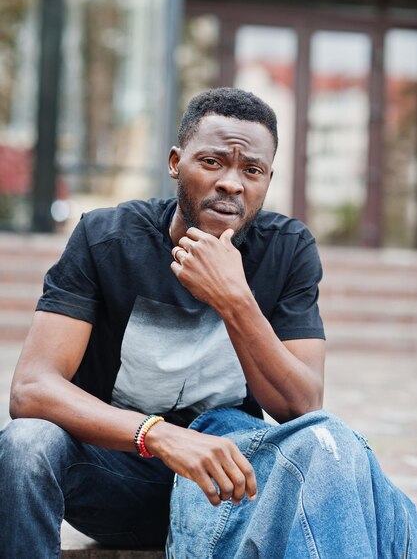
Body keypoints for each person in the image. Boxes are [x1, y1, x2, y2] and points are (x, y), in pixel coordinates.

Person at [0, 87, 416, 559]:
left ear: (267, 179)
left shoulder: (288, 250)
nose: (232, 183)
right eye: (213, 162)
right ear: (176, 161)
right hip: (116, 477)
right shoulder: (106, 238)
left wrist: (234, 299)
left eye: (251, 170)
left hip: (229, 491)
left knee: (329, 446)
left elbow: (302, 407)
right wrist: (158, 435)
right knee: (27, 443)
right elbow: (31, 389)